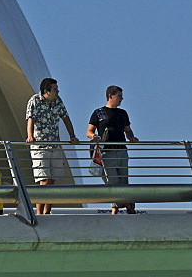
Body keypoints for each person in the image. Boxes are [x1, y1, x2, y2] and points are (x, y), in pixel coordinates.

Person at [25, 77, 81, 215]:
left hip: (54, 145)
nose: (58, 91)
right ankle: (39, 213)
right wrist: (30, 135)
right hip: (40, 146)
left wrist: (72, 136)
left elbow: (65, 118)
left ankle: (47, 212)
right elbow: (30, 118)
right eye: (55, 89)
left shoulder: (58, 101)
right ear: (46, 91)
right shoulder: (35, 100)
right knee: (43, 180)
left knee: (51, 181)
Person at [87, 85, 139, 214]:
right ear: (111, 96)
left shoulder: (123, 113)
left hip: (121, 150)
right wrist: (94, 136)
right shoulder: (99, 112)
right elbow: (89, 131)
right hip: (106, 152)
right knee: (113, 181)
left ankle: (115, 210)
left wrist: (132, 137)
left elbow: (128, 130)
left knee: (123, 181)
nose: (121, 98)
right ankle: (128, 205)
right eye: (119, 95)